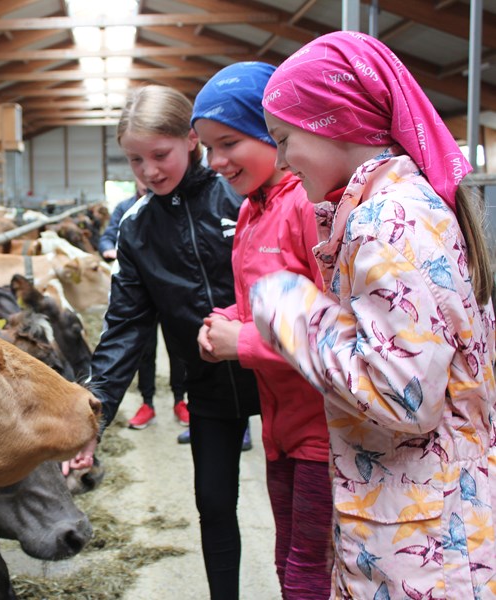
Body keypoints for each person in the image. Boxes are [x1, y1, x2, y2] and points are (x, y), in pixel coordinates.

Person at [249, 31, 496, 598]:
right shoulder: (399, 210)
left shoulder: (388, 223)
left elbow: (403, 396)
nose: (282, 160)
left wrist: (292, 310)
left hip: (426, 548)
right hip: (422, 520)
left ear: (334, 120)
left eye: (285, 139)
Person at [67, 84, 261, 599]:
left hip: (276, 373)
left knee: (297, 505)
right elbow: (125, 327)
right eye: (135, 160)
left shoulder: (239, 197)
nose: (149, 171)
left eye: (160, 154)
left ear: (190, 139)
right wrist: (94, 416)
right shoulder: (136, 230)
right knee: (214, 504)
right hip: (207, 386)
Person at [192, 61, 332, 599]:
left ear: (271, 129)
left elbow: (339, 331)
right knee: (289, 559)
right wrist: (230, 317)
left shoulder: (305, 205)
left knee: (308, 569)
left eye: (228, 142)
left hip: (324, 431)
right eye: (207, 147)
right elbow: (263, 303)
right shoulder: (252, 210)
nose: (215, 162)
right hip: (282, 429)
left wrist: (242, 344)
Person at [99, 177, 190, 431]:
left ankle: (180, 400)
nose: (146, 176)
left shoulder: (175, 202)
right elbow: (107, 236)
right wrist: (109, 249)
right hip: (141, 291)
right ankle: (147, 403)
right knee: (144, 350)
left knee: (178, 347)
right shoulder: (125, 208)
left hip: (172, 288)